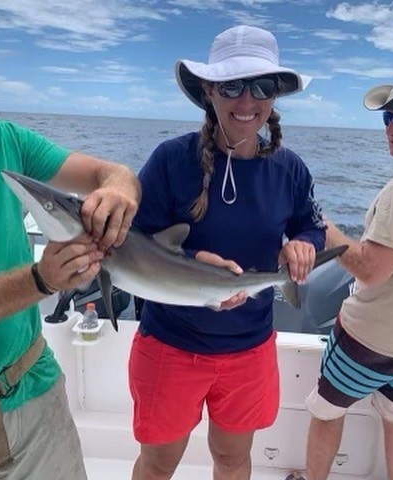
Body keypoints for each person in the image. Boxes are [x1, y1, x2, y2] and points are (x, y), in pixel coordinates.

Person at [128, 25, 326, 480]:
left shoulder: (289, 169)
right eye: (232, 86)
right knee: (157, 463)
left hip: (248, 348)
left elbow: (311, 226)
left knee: (234, 460)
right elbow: (132, 238)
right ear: (208, 91)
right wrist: (192, 263)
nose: (246, 101)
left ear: (275, 95)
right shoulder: (169, 160)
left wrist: (303, 245)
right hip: (171, 346)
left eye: (261, 86)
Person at [289, 76, 393, 480]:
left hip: (370, 339)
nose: (391, 128)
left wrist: (315, 223)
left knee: (326, 411)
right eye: (387, 119)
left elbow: (371, 270)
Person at [0, 116, 141, 479]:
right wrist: (40, 280)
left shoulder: (3, 141)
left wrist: (119, 188)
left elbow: (110, 172)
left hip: (30, 384)